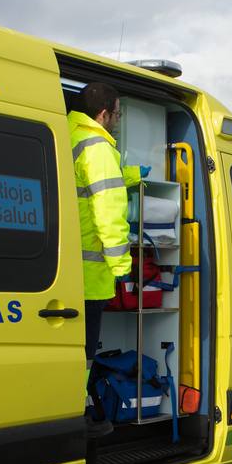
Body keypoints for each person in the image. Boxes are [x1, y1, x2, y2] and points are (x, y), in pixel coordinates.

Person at [70, 83, 148, 436]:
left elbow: (90, 185)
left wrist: (132, 175)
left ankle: (80, 402)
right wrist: (124, 268)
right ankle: (80, 411)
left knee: (76, 350)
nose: (117, 120)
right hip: (92, 275)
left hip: (72, 270)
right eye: (117, 114)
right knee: (85, 351)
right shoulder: (99, 146)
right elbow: (107, 210)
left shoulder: (71, 135)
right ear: (103, 114)